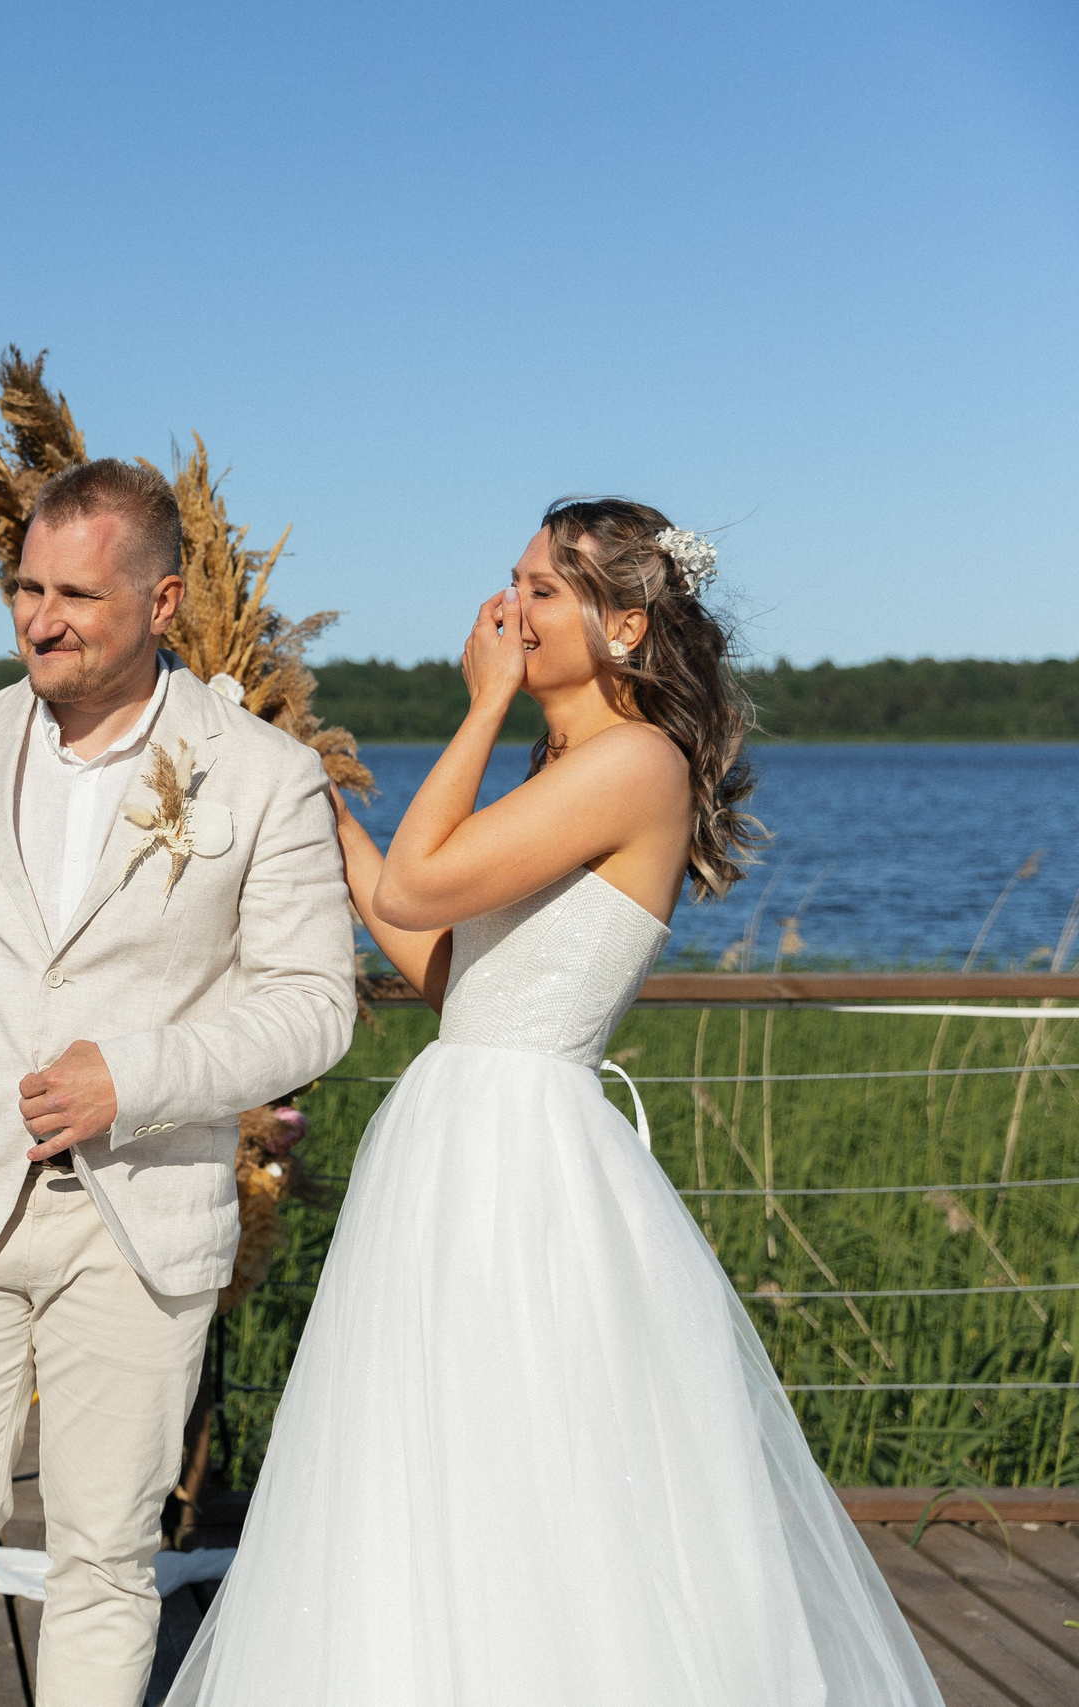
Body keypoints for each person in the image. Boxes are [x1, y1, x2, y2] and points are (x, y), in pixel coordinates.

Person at [162, 500, 941, 1704]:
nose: (509, 610)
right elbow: (444, 972)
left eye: (541, 590)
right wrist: (312, 795)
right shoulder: (566, 766)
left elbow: (421, 885)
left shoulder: (634, 763)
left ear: (624, 623)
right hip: (456, 1132)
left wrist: (475, 704)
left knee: (533, 1459)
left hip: (519, 1157)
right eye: (512, 582)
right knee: (442, 1464)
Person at [0, 459, 356, 1706]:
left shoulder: (262, 773)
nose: (39, 619)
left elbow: (315, 1010)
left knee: (106, 1560)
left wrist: (137, 1074)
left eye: (76, 596)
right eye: (23, 586)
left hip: (142, 1217)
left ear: (160, 605)